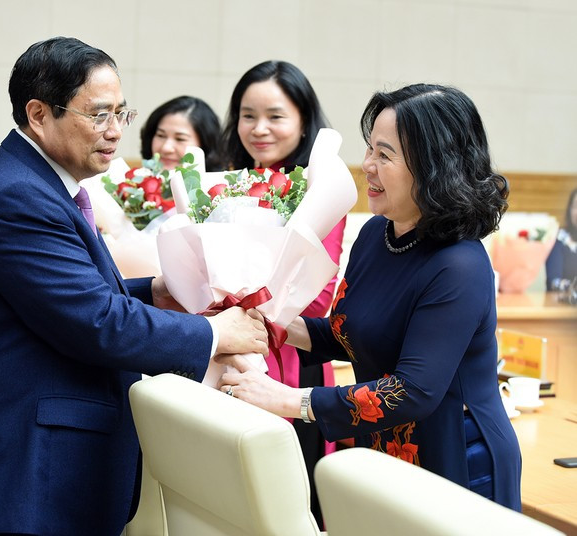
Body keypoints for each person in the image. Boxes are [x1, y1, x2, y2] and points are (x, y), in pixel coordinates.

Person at [0, 37, 269, 536]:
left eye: (122, 113)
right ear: (39, 114)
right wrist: (217, 334)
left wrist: (154, 290)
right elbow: (96, 322)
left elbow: (64, 297)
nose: (116, 131)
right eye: (99, 115)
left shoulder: (40, 183)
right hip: (8, 474)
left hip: (21, 464)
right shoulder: (18, 196)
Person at [218, 83, 522, 511]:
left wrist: (287, 399)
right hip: (383, 451)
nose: (367, 166)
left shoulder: (460, 265)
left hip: (455, 457)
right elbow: (350, 335)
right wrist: (271, 325)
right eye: (369, 150)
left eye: (384, 154)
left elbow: (414, 390)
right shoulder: (375, 237)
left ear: (433, 165)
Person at [220, 59, 345, 525]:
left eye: (275, 115)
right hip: (230, 351)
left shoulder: (320, 191)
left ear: (303, 121)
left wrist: (242, 302)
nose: (259, 128)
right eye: (248, 115)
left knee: (284, 505)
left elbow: (315, 299)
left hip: (289, 359)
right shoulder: (228, 183)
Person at [139, 95, 223, 171]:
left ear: (205, 145)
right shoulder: (134, 183)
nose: (166, 148)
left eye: (180, 139)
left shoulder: (226, 187)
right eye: (161, 135)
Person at [545, 187, 577, 291]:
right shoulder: (559, 239)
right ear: (569, 210)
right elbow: (554, 281)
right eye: (575, 206)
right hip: (562, 303)